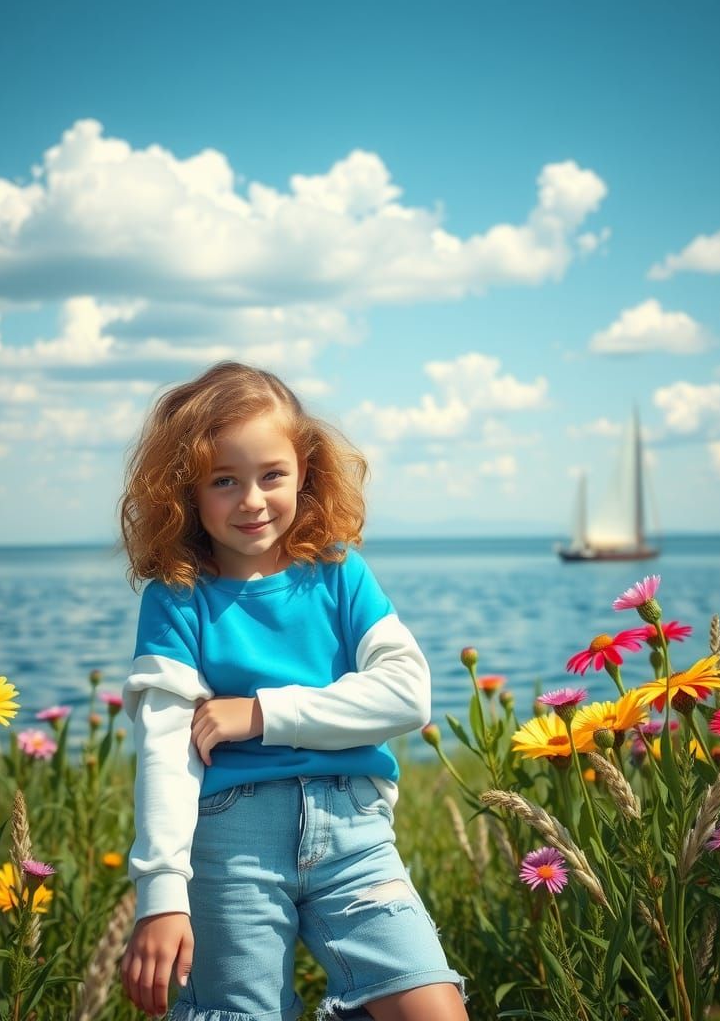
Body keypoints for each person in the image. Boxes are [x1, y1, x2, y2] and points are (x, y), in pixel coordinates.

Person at [117, 362, 468, 1021]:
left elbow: (406, 695)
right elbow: (166, 746)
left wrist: (261, 713)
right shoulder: (177, 597)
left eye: (271, 475)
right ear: (185, 491)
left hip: (355, 835)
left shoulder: (338, 573)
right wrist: (162, 891)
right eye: (224, 480)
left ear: (306, 470)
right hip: (229, 840)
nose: (251, 500)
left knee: (435, 1006)